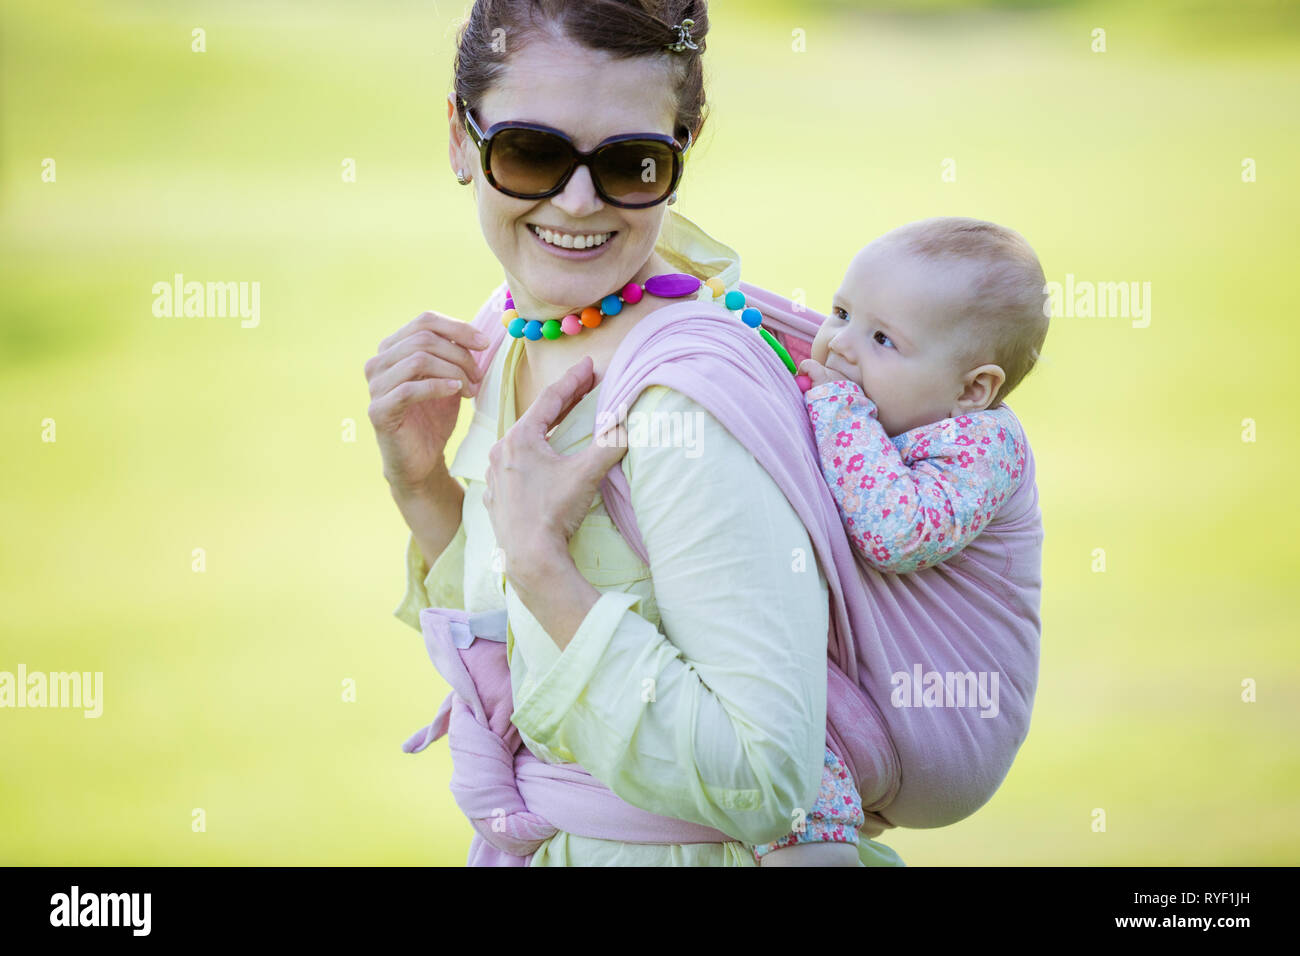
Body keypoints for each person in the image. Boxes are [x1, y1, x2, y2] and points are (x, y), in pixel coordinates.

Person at [366, 0, 899, 865]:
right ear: (462, 141)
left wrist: (542, 561)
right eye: (531, 151)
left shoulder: (682, 401)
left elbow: (767, 782)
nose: (577, 201)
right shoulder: (505, 334)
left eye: (632, 162)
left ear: (682, 151)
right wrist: (424, 488)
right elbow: (517, 666)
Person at [753, 217, 1049, 864]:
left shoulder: (986, 444)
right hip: (878, 697)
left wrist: (835, 411)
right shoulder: (880, 406)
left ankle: (813, 847)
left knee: (766, 692)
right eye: (840, 312)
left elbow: (895, 532)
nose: (838, 347)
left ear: (974, 389)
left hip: (949, 722)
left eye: (883, 338)